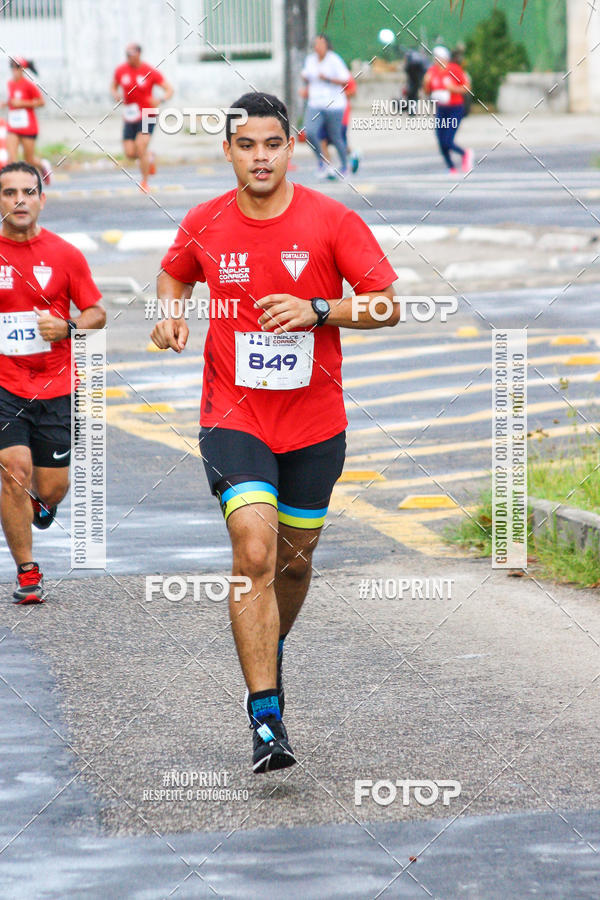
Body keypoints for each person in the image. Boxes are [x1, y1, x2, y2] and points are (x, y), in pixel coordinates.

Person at [151, 91, 398, 774]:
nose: (260, 158)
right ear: (227, 150)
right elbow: (174, 276)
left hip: (315, 422)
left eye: (272, 144)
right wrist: (169, 315)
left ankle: (267, 643)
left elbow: (388, 305)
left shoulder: (331, 219)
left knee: (293, 560)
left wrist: (320, 309)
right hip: (233, 414)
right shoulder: (205, 221)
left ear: (292, 147)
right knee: (253, 549)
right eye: (246, 145)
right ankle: (265, 714)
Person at [0, 162, 105, 604]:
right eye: (9, 193)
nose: (19, 200)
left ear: (42, 199)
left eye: (28, 191)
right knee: (12, 470)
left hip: (57, 387)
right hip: (5, 385)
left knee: (49, 488)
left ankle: (43, 505)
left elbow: (96, 313)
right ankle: (27, 571)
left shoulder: (65, 254)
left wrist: (68, 326)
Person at [111, 43, 173, 193]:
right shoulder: (121, 70)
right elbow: (113, 86)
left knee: (141, 145)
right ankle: (149, 157)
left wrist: (160, 99)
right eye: (127, 55)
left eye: (132, 54)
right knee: (130, 153)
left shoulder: (149, 71)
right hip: (130, 115)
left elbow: (169, 89)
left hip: (148, 114)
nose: (129, 58)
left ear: (139, 54)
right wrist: (116, 95)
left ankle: (145, 182)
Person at [301, 34, 351, 179]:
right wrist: (304, 78)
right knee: (309, 132)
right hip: (315, 103)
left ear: (327, 45)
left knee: (335, 136)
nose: (318, 47)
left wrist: (328, 79)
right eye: (316, 44)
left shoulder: (334, 59)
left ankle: (344, 165)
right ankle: (323, 162)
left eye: (321, 44)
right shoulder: (310, 60)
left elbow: (345, 79)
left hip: (334, 104)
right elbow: (305, 74)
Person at [423, 45, 473, 175]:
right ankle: (450, 166)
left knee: (448, 140)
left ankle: (465, 154)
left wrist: (453, 89)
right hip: (441, 108)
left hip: (455, 108)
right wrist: (425, 82)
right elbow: (427, 90)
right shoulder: (432, 71)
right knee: (440, 139)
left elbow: (466, 88)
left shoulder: (454, 70)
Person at [3, 58, 51, 185]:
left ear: (23, 69)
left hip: (28, 126)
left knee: (29, 159)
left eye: (17, 67)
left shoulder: (29, 85)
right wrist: (5, 104)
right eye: (12, 66)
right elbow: (12, 100)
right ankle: (13, 185)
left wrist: (22, 103)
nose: (14, 70)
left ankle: (42, 165)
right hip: (13, 126)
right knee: (11, 159)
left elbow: (41, 102)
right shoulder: (10, 84)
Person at [318, 74, 361, 176]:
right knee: (322, 140)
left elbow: (353, 91)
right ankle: (328, 167)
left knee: (340, 142)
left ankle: (351, 156)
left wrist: (337, 95)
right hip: (326, 114)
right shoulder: (322, 75)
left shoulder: (345, 76)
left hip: (341, 116)